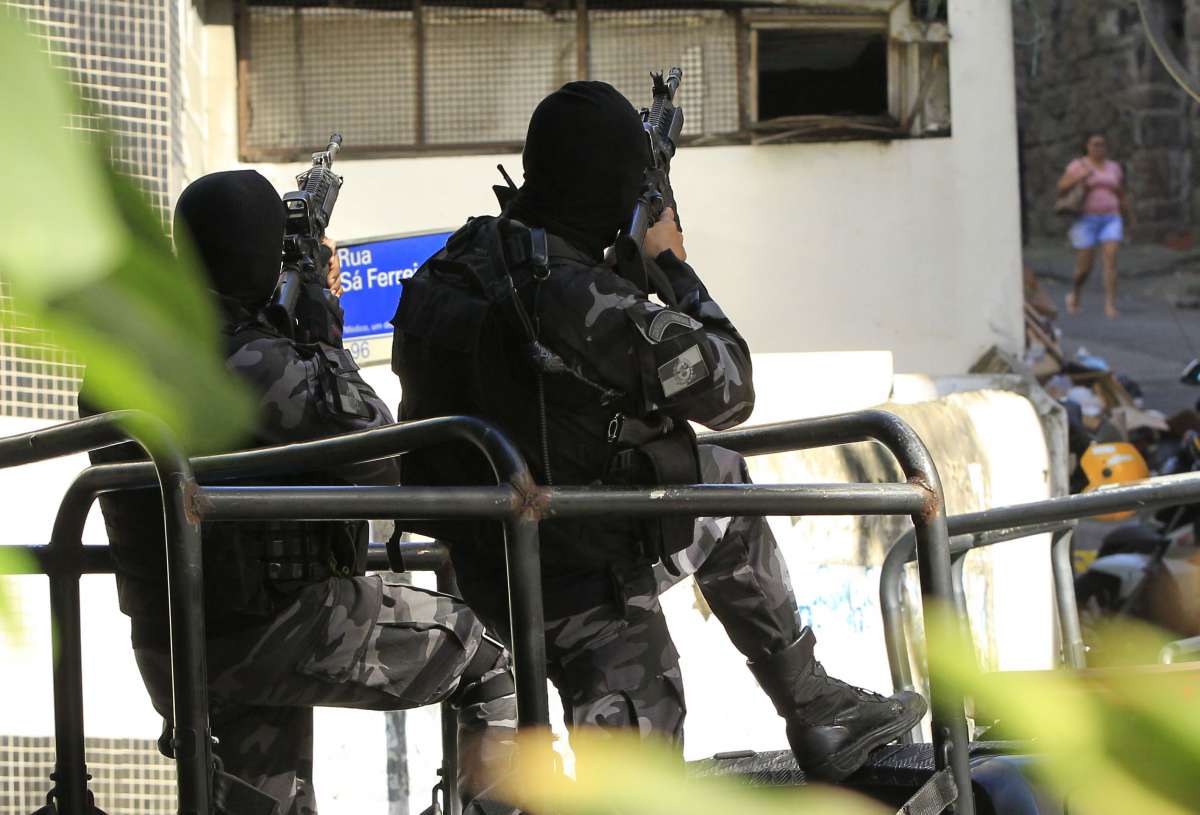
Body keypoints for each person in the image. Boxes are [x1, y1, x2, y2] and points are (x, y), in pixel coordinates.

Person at [391, 81, 925, 782]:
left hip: (487, 567)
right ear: (612, 188)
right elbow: (731, 388)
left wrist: (616, 257)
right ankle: (814, 706)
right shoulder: (581, 300)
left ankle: (815, 700)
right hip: (579, 579)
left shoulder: (457, 265)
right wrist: (670, 263)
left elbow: (551, 351)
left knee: (720, 479)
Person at [79, 170, 516, 815]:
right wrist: (319, 327)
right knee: (485, 663)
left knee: (267, 800)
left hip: (174, 638)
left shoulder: (133, 351)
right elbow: (377, 452)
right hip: (274, 626)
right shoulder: (256, 360)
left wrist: (282, 320)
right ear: (259, 254)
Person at [1057, 132, 1133, 318]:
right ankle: (1075, 293)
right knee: (1084, 267)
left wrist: (1128, 215)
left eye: (1102, 144)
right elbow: (1062, 186)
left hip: (1111, 217)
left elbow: (1121, 193)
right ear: (1087, 146)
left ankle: (1110, 304)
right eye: (1094, 144)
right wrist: (1080, 176)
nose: (1098, 148)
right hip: (1086, 219)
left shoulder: (1113, 167)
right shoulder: (1078, 165)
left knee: (1111, 260)